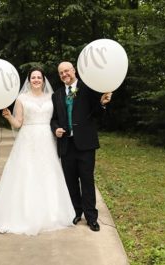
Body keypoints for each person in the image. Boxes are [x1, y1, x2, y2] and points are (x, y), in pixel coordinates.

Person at [0, 67, 75, 235]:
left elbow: (56, 118)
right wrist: (8, 116)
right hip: (28, 138)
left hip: (47, 139)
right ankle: (24, 213)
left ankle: (52, 212)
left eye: (39, 77)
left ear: (43, 80)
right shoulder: (21, 98)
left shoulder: (51, 97)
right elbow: (18, 123)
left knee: (48, 173)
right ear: (29, 80)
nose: (37, 80)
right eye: (33, 77)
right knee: (27, 172)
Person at [50, 61, 112, 232]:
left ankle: (91, 217)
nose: (64, 74)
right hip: (66, 145)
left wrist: (103, 103)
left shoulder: (88, 88)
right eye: (61, 72)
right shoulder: (57, 95)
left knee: (87, 180)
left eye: (67, 71)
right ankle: (76, 212)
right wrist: (56, 129)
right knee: (70, 181)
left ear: (74, 70)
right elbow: (53, 118)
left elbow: (97, 113)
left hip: (85, 143)